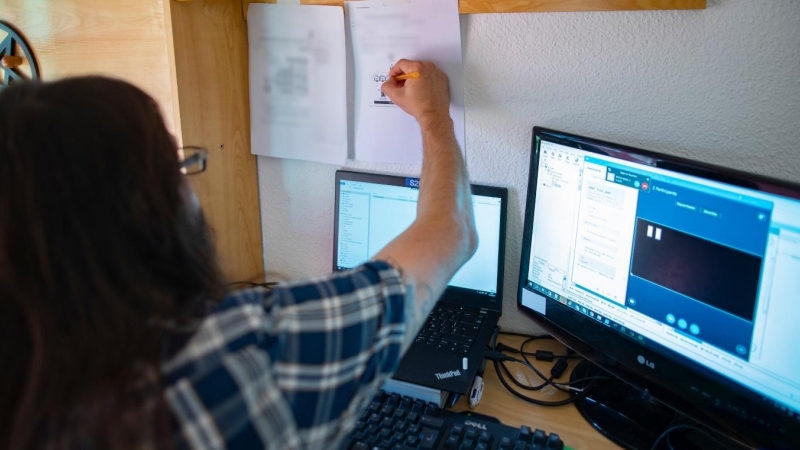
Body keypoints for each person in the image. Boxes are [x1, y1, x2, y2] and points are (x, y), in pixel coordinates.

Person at [0, 59, 476, 449]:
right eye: (178, 166)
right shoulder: (230, 359)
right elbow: (449, 229)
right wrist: (433, 116)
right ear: (140, 215)